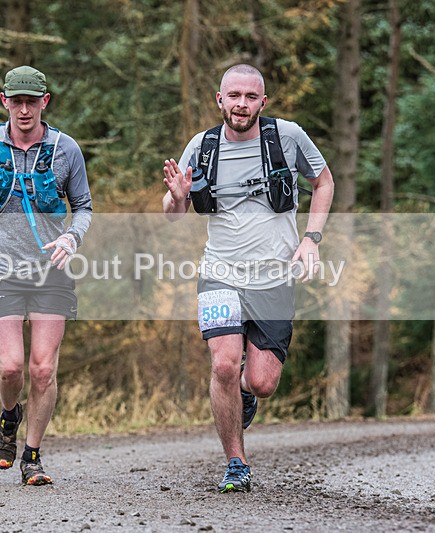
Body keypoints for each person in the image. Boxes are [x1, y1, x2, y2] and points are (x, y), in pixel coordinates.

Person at [162, 64, 334, 493]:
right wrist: (177, 198)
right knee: (222, 364)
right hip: (219, 272)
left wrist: (311, 239)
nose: (242, 104)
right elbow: (172, 212)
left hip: (275, 277)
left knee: (261, 381)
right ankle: (236, 463)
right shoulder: (202, 146)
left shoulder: (288, 137)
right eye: (233, 96)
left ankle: (246, 394)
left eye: (250, 97)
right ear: (220, 100)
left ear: (263, 101)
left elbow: (324, 181)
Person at [0, 65, 92, 486]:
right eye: (15, 101)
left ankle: (32, 456)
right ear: (4, 102)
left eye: (30, 102)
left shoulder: (66, 149)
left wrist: (72, 238)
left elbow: (85, 206)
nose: (23, 110)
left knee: (42, 370)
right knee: (12, 367)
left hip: (51, 273)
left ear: (44, 102)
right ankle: (9, 415)